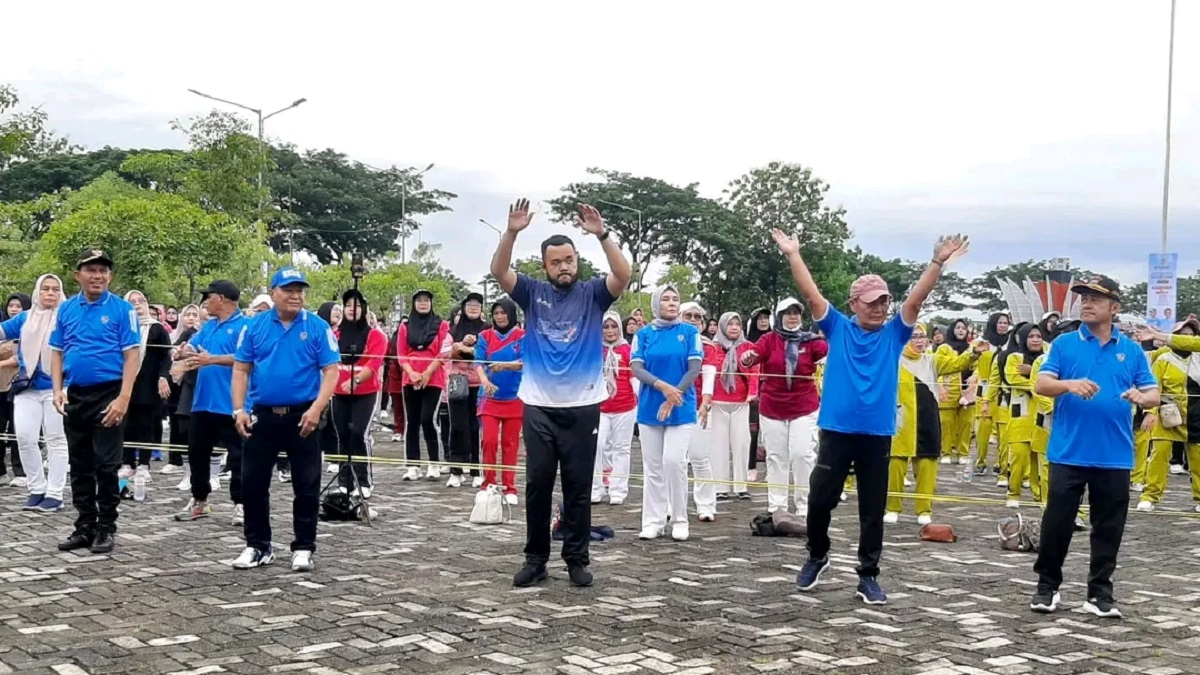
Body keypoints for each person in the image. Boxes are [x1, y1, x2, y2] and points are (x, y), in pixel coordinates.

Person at [778, 229, 969, 605]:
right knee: (819, 501)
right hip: (836, 430)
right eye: (871, 302)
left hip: (877, 434)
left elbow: (917, 298)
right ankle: (817, 555)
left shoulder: (895, 333)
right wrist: (793, 254)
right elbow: (811, 293)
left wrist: (936, 263)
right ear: (854, 304)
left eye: (883, 301)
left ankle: (868, 574)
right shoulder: (838, 327)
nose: (879, 307)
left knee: (872, 510)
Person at [489, 198, 632, 588]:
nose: (563, 266)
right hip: (538, 405)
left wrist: (602, 235)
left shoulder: (593, 294)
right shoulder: (531, 293)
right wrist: (513, 232)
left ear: (576, 261)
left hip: (584, 405)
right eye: (556, 262)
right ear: (545, 266)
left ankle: (576, 559)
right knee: (537, 485)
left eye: (569, 259)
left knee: (578, 487)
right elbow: (498, 271)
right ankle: (535, 560)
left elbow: (624, 274)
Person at [1031, 277, 1158, 618]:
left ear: (1114, 308)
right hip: (1069, 451)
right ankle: (1047, 587)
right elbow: (1042, 383)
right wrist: (1068, 385)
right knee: (1057, 523)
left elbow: (1153, 393)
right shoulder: (1064, 344)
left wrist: (1141, 397)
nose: (1086, 303)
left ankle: (1099, 592)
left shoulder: (1130, 350)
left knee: (1108, 527)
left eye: (1096, 299)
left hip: (1114, 454)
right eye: (1084, 298)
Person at [231, 267, 340, 572]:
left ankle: (304, 546)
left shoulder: (318, 327)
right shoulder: (254, 327)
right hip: (262, 415)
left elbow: (331, 370)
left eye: (300, 290)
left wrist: (317, 408)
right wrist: (238, 408)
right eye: (289, 290)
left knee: (306, 484)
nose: (295, 296)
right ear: (274, 292)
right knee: (253, 484)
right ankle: (257, 545)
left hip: (303, 415)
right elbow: (241, 368)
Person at [51, 248, 141, 554]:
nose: (98, 276)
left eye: (103, 270)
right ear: (78, 275)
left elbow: (132, 355)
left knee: (106, 464)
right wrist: (57, 388)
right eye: (91, 270)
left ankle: (106, 527)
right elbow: (57, 351)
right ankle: (85, 525)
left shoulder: (121, 309)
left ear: (110, 276)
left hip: (110, 393)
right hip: (76, 394)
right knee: (80, 464)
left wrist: (124, 398)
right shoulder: (66, 309)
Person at [885, 322, 981, 524]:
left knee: (927, 465)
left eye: (922, 337)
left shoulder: (932, 361)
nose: (919, 341)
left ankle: (924, 510)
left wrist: (974, 353)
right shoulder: (890, 360)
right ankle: (893, 507)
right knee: (896, 465)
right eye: (914, 336)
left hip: (928, 418)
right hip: (900, 419)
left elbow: (957, 364)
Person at [741, 299, 827, 515]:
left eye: (796, 313)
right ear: (779, 317)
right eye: (787, 313)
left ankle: (804, 504)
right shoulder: (769, 339)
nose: (792, 317)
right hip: (773, 407)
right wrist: (748, 357)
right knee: (776, 456)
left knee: (802, 454)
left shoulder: (812, 341)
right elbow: (750, 357)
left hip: (804, 406)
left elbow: (830, 354)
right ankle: (777, 506)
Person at [173, 281, 249, 525]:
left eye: (209, 296)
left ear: (223, 298)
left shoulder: (246, 326)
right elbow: (193, 348)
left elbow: (248, 358)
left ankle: (241, 504)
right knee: (197, 454)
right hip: (202, 403)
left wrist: (212, 359)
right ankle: (200, 501)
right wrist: (183, 353)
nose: (205, 301)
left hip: (232, 404)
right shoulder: (209, 327)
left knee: (239, 457)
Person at [631, 286, 703, 541]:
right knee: (652, 466)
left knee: (674, 461)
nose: (672, 303)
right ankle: (653, 520)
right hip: (651, 405)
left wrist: (674, 396)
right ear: (656, 304)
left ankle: (680, 519)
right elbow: (637, 368)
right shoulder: (643, 335)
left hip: (682, 406)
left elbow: (694, 368)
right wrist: (662, 387)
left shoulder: (690, 332)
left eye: (676, 299)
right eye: (666, 299)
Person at [0, 275, 67, 512]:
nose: (50, 293)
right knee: (25, 438)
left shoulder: (66, 317)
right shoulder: (25, 318)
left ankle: (55, 492)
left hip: (57, 387)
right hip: (25, 386)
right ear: (38, 291)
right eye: (45, 289)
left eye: (55, 289)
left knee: (56, 439)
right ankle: (36, 487)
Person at [331, 288, 387, 496]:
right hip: (339, 393)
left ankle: (363, 481)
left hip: (365, 392)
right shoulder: (335, 334)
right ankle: (344, 481)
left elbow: (373, 363)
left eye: (356, 306)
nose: (351, 310)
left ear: (363, 309)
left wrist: (355, 380)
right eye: (347, 306)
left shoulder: (375, 336)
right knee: (342, 435)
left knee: (358, 434)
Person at [396, 289, 450, 481]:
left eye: (426, 300)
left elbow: (444, 353)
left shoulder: (441, 325)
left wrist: (427, 373)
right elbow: (401, 353)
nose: (423, 303)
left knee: (428, 419)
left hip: (433, 378)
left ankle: (434, 462)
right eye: (419, 300)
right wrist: (411, 372)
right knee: (412, 421)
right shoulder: (405, 326)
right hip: (410, 377)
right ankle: (412, 464)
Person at [119, 290, 172, 481]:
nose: (137, 305)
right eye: (132, 302)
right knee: (126, 425)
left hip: (149, 384)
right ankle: (126, 463)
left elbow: (166, 356)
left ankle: (143, 464)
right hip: (126, 383)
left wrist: (163, 377)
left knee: (146, 426)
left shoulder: (157, 329)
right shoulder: (123, 327)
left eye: (141, 301)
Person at [475, 297, 525, 503]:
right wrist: (485, 380)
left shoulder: (522, 336)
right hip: (489, 399)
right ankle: (488, 483)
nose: (500, 317)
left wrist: (505, 366)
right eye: (496, 313)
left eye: (503, 313)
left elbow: (526, 361)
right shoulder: (485, 336)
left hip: (515, 398)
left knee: (510, 443)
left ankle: (510, 487)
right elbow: (478, 362)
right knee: (489, 441)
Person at [591, 309, 637, 505]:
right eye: (605, 327)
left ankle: (618, 490)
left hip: (625, 406)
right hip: (599, 407)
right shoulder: (593, 349)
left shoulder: (628, 350)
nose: (610, 331)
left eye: (613, 327)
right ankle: (595, 488)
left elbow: (635, 377)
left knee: (622, 448)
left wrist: (640, 401)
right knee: (596, 446)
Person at [447, 292, 487, 488]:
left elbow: (490, 352)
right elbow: (446, 353)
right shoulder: (453, 329)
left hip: (480, 383)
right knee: (457, 426)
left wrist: (472, 349)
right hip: (459, 382)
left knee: (475, 427)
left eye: (477, 304)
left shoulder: (488, 329)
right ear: (463, 307)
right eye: (470, 303)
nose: (473, 307)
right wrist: (461, 345)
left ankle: (476, 469)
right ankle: (455, 470)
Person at [0, 290, 31, 486]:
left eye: (18, 306)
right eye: (11, 306)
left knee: (20, 428)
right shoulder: (5, 328)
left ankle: (21, 470)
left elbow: (22, 356)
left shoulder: (30, 328)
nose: (14, 309)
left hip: (20, 384)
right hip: (1, 384)